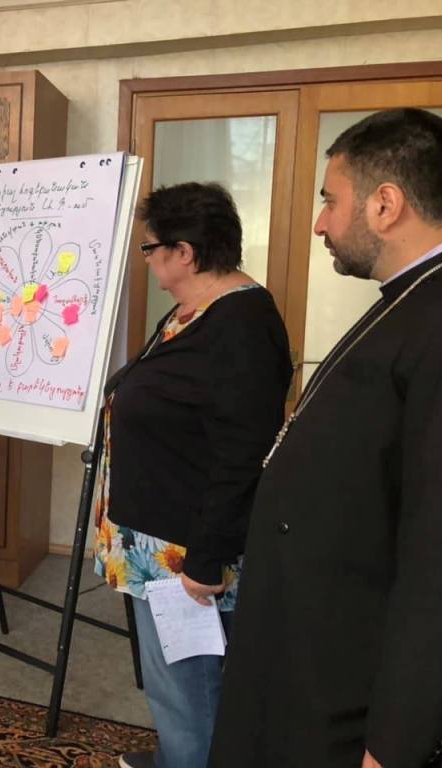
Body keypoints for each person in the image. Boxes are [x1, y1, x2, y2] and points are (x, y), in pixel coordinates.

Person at [209, 108, 442, 768]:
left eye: (330, 200)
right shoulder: (414, 296)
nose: (321, 222)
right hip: (311, 639)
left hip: (349, 681)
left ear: (386, 205)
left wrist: (396, 741)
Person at [92, 182, 292, 768]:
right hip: (158, 539)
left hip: (188, 553)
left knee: (188, 687)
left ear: (184, 252)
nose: (146, 259)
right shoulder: (195, 311)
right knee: (176, 683)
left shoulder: (241, 325)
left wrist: (205, 562)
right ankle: (179, 756)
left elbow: (243, 455)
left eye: (150, 248)